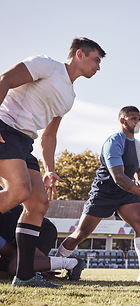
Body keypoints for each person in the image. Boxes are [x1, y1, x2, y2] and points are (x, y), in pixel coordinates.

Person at [0, 37, 105, 287]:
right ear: (79, 54)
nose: (98, 67)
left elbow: (49, 135)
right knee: (18, 191)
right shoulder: (46, 65)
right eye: (96, 60)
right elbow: (5, 79)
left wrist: (50, 170)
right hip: (5, 127)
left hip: (26, 141)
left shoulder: (69, 96)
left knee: (38, 204)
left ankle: (24, 276)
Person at [55, 106, 140, 283]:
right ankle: (53, 265)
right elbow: (119, 178)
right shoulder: (114, 141)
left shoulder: (138, 146)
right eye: (133, 118)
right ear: (122, 120)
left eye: (139, 119)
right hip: (104, 192)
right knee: (81, 234)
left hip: (127, 193)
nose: (137, 122)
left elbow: (139, 175)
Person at [0, 205, 84, 285]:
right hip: (19, 235)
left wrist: (36, 267)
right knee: (14, 269)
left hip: (39, 229)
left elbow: (10, 252)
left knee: (16, 268)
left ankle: (72, 263)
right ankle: (41, 270)